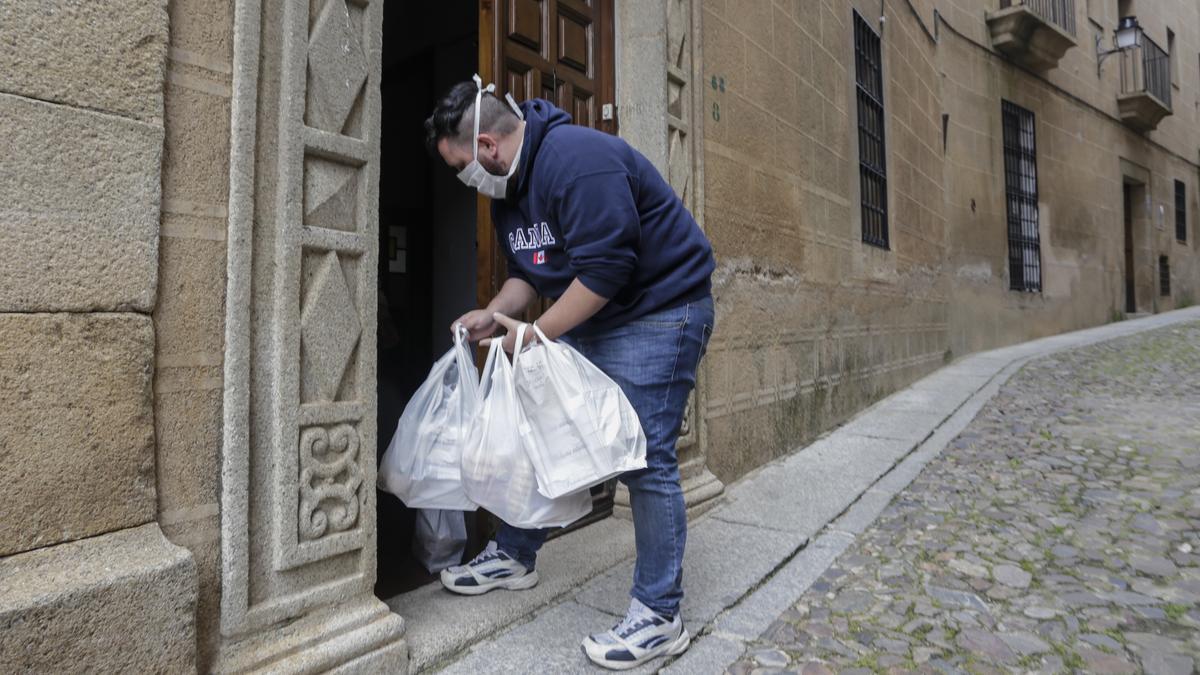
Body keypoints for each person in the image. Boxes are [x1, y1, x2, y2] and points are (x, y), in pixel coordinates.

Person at [424, 74, 715, 670]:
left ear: (485, 149)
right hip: (597, 309)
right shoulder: (510, 189)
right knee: (540, 424)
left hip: (663, 309)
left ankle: (660, 614)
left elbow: (606, 270)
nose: (465, 181)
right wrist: (497, 312)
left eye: (460, 168)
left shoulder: (579, 161)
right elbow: (535, 268)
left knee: (645, 453)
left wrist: (536, 334)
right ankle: (514, 553)